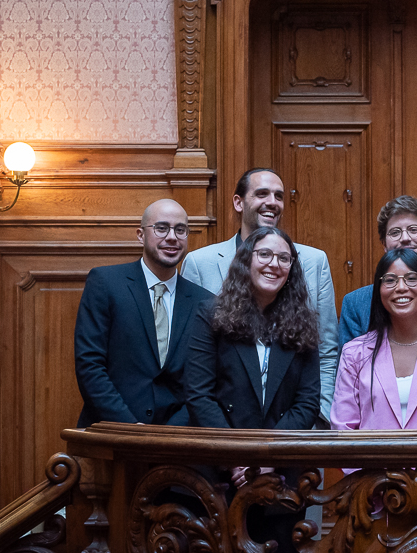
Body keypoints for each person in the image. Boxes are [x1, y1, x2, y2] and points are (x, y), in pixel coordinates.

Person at [185, 226, 321, 553]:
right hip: (222, 474)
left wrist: (268, 461)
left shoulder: (304, 321)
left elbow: (307, 402)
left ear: (292, 269)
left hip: (281, 478)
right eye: (265, 254)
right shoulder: (210, 315)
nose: (274, 264)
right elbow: (199, 394)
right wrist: (238, 459)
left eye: (284, 258)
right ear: (246, 260)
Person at [181, 168, 339, 423]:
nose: (272, 202)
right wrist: (226, 442)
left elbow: (327, 351)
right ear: (239, 202)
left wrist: (318, 420)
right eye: (262, 193)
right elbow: (193, 362)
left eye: (279, 196)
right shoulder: (199, 263)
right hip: (221, 430)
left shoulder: (313, 261)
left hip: (294, 429)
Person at [74, 199, 211, 427]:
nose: (172, 237)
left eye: (180, 230)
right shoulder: (106, 283)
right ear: (141, 235)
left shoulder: (205, 302)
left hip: (178, 438)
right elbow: (90, 365)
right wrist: (130, 428)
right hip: (111, 432)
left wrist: (170, 433)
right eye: (161, 228)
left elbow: (206, 382)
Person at [330, 248, 417, 431]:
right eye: (390, 280)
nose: (401, 287)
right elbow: (343, 429)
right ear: (378, 290)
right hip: (371, 451)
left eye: (412, 278)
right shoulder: (354, 353)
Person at [338, 196, 417, 348]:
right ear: (384, 244)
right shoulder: (355, 303)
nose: (405, 238)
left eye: (413, 230)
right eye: (395, 232)